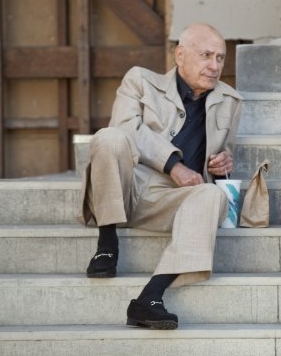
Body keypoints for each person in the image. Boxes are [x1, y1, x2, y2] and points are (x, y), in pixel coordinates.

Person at [79, 23, 243, 330]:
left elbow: (223, 157)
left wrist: (223, 163)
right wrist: (173, 166)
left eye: (220, 58)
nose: (215, 65)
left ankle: (149, 298)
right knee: (109, 137)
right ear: (180, 55)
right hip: (127, 188)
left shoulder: (230, 101)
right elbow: (125, 127)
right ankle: (107, 244)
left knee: (213, 194)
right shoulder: (140, 81)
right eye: (206, 55)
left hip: (172, 202)